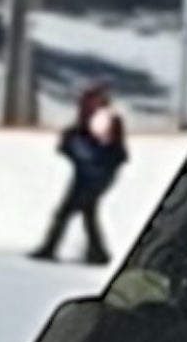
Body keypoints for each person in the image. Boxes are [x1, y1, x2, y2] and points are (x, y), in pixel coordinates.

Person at [33, 86, 127, 264]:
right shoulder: (84, 124)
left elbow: (114, 152)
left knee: (73, 211)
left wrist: (94, 160)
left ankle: (55, 248)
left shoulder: (109, 122)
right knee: (84, 212)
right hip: (83, 176)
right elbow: (70, 147)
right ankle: (96, 251)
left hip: (96, 177)